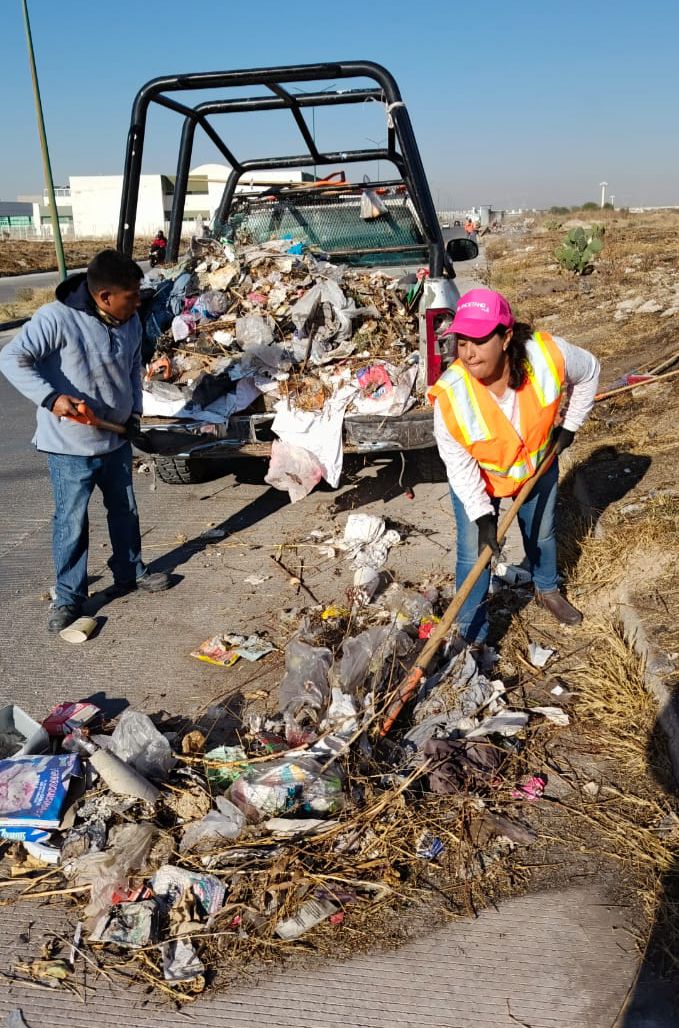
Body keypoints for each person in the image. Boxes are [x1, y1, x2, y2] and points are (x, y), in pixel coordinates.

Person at [0, 249, 171, 634]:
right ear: (105, 295)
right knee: (72, 522)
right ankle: (69, 598)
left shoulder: (128, 320)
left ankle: (130, 572)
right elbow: (11, 358)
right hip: (70, 445)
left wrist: (134, 414)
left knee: (124, 511)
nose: (138, 300)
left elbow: (131, 371)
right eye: (131, 295)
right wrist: (53, 398)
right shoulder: (56, 319)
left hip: (115, 438)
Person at [429, 287, 600, 646]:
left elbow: (591, 372)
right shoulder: (451, 396)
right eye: (462, 341)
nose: (468, 352)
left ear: (506, 337)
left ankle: (547, 589)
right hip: (481, 477)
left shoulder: (547, 355)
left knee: (541, 533)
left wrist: (569, 428)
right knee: (474, 552)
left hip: (537, 466)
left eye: (478, 340)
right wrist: (482, 514)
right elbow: (458, 464)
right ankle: (472, 634)